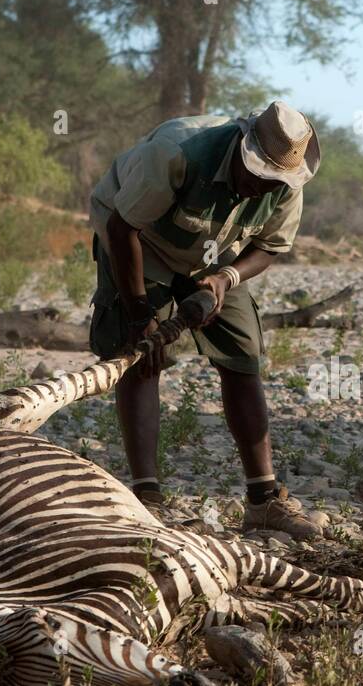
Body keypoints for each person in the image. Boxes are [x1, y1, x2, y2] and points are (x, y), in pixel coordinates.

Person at [88, 99, 324, 539]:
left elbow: (271, 246)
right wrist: (141, 314)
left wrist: (225, 278)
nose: (262, 187)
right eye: (258, 174)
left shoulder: (288, 183)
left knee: (243, 358)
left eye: (274, 181)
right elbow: (124, 230)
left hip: (218, 257)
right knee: (144, 359)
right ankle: (147, 499)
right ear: (242, 145)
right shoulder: (177, 154)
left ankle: (263, 500)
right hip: (141, 242)